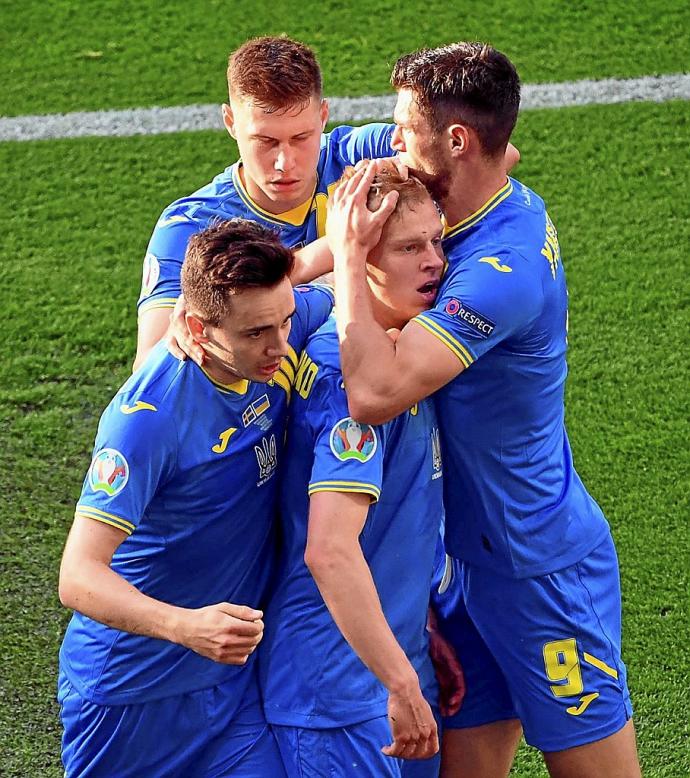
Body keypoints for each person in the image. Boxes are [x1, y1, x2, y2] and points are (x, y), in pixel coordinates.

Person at [326, 43, 641, 778]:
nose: (392, 142)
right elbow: (327, 147)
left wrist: (344, 255)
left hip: (541, 572)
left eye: (404, 131)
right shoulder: (458, 169)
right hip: (461, 564)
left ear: (458, 142)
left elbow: (374, 392)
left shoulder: (507, 270)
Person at [57, 219, 333, 776]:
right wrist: (186, 627)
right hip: (131, 692)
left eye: (283, 322)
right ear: (196, 327)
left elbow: (341, 279)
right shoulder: (147, 422)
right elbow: (77, 576)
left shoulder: (268, 329)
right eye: (257, 333)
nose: (280, 345)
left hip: (230, 691)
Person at [260, 169, 456, 777]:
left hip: (387, 668)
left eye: (437, 242)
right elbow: (330, 551)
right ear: (361, 258)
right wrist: (399, 682)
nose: (435, 263)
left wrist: (415, 627)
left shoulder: (402, 356)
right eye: (408, 247)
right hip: (338, 698)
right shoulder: (351, 383)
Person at [134, 35, 394, 369]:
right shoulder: (190, 227)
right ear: (230, 123)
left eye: (301, 138)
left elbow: (450, 141)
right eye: (265, 141)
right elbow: (148, 371)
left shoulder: (361, 155)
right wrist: (340, 248)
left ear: (324, 116)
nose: (285, 162)